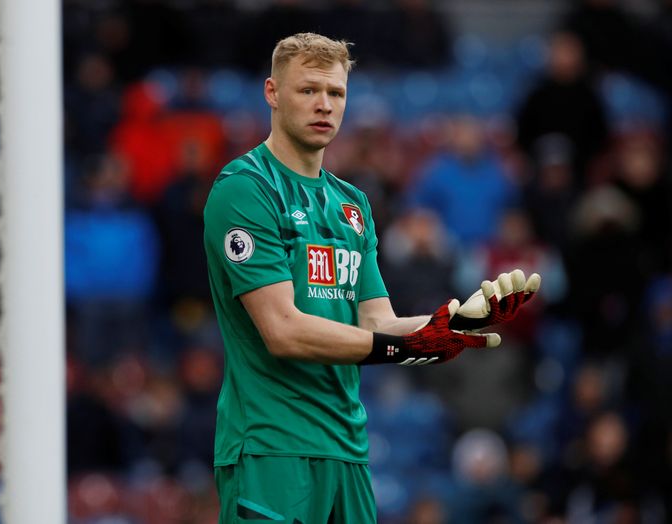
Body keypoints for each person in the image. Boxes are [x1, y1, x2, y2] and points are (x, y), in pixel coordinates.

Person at [203, 33, 540, 523]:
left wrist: (453, 323)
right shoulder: (245, 190)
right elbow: (283, 331)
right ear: (272, 93)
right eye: (308, 90)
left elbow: (377, 321)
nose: (324, 105)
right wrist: (408, 347)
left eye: (336, 93)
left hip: (347, 449)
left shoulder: (352, 205)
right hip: (271, 449)